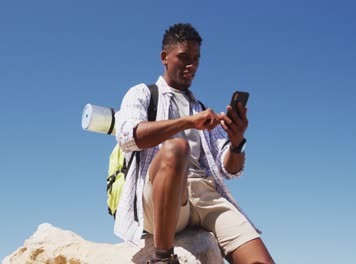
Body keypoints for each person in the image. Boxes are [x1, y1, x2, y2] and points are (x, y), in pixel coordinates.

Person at [114, 23, 274, 264]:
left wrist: (237, 141)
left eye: (196, 59)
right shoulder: (142, 93)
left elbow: (230, 169)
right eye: (184, 57)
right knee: (177, 148)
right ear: (164, 57)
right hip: (162, 194)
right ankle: (162, 258)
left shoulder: (200, 108)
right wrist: (188, 122)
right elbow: (128, 137)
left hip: (206, 194)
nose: (192, 65)